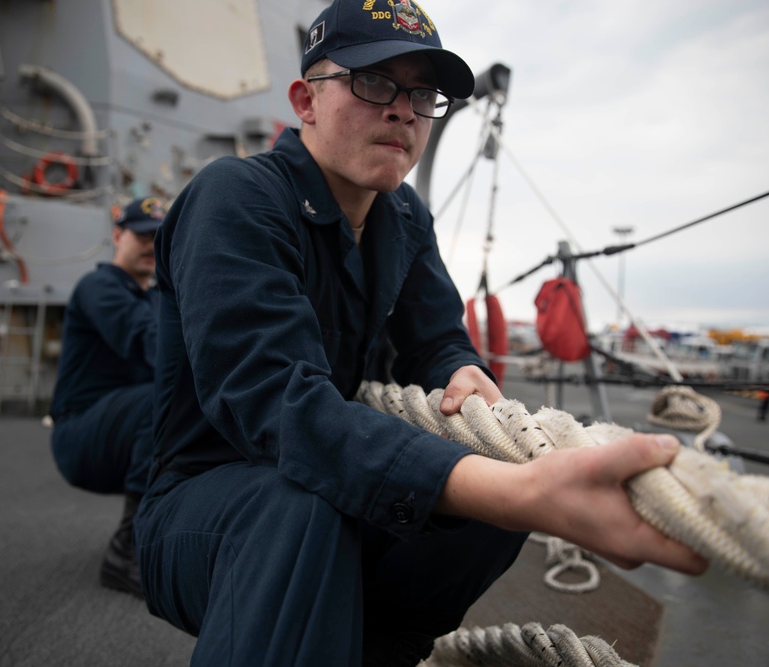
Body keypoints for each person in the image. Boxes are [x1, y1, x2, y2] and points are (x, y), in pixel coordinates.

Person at [135, 2, 708, 665]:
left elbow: (437, 339)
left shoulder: (403, 216)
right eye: (374, 82)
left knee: (485, 512)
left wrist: (461, 369)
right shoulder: (233, 197)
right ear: (306, 101)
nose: (404, 110)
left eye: (423, 94)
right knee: (299, 507)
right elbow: (277, 403)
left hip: (321, 482)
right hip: (202, 506)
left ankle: (378, 649)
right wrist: (523, 493)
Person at [49, 196, 165, 599]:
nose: (153, 244)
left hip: (125, 429)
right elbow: (149, 341)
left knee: (191, 406)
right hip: (81, 433)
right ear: (117, 236)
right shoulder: (99, 287)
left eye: (159, 236)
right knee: (166, 401)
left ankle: (164, 540)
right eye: (143, 235)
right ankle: (125, 552)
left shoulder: (158, 297)